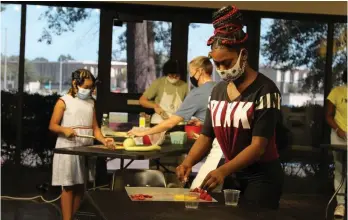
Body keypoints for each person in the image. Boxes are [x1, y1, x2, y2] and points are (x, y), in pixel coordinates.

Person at [176, 5, 284, 209]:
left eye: (227, 62)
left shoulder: (266, 91)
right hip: (233, 173)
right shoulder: (217, 92)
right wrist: (188, 162)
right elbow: (207, 136)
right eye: (217, 65)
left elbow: (258, 147)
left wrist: (223, 170)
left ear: (243, 55)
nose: (222, 69)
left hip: (262, 177)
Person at [129, 56, 223, 186]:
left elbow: (171, 122)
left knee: (199, 189)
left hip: (216, 145)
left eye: (191, 72)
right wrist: (203, 122)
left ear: (200, 71)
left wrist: (145, 132)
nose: (191, 76)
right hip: (227, 145)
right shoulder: (221, 87)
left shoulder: (196, 92)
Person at [49, 69, 114, 220]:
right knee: (69, 186)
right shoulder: (63, 101)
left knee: (80, 187)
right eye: (86, 87)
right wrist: (64, 129)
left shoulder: (91, 102)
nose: (89, 90)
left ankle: (71, 217)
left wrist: (104, 140)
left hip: (85, 149)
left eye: (91, 87)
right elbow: (52, 125)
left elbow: (95, 128)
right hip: (68, 147)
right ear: (75, 84)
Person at [139, 59, 188, 127]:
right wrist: (155, 106)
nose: (173, 78)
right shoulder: (159, 83)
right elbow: (142, 101)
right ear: (167, 73)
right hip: (159, 119)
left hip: (177, 120)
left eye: (176, 76)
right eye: (171, 76)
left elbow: (190, 105)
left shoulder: (185, 86)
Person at [326, 70, 347, 218]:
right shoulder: (337, 91)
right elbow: (328, 115)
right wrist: (337, 129)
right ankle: (340, 205)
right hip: (339, 135)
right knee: (340, 169)